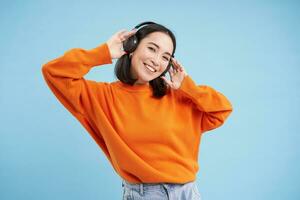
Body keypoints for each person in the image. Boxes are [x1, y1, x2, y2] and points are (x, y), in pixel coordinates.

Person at [41, 21, 233, 200]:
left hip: (188, 192)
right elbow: (54, 72)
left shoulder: (179, 97)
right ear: (131, 48)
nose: (157, 61)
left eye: (165, 57)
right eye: (152, 48)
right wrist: (104, 52)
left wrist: (188, 87)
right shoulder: (103, 97)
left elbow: (222, 109)